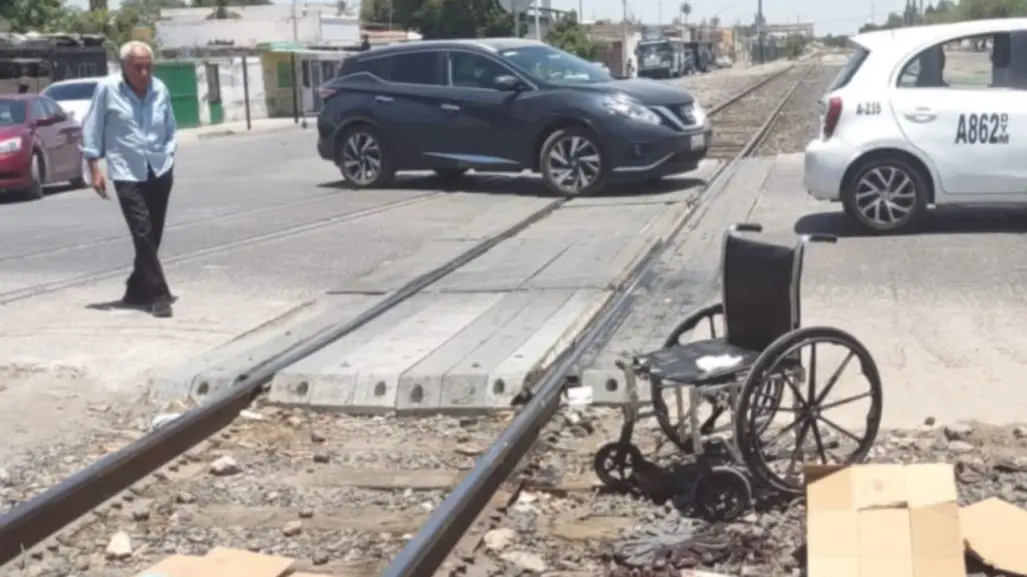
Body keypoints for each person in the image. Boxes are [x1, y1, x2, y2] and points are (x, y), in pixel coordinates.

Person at [81, 41, 178, 318]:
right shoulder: (108, 89)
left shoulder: (160, 89)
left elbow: (170, 127)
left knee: (154, 233)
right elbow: (93, 128)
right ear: (124, 66)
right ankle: (160, 295)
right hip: (126, 171)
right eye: (138, 67)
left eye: (148, 66)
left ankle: (136, 288)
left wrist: (170, 153)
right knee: (142, 230)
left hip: (159, 168)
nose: (145, 73)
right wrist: (94, 168)